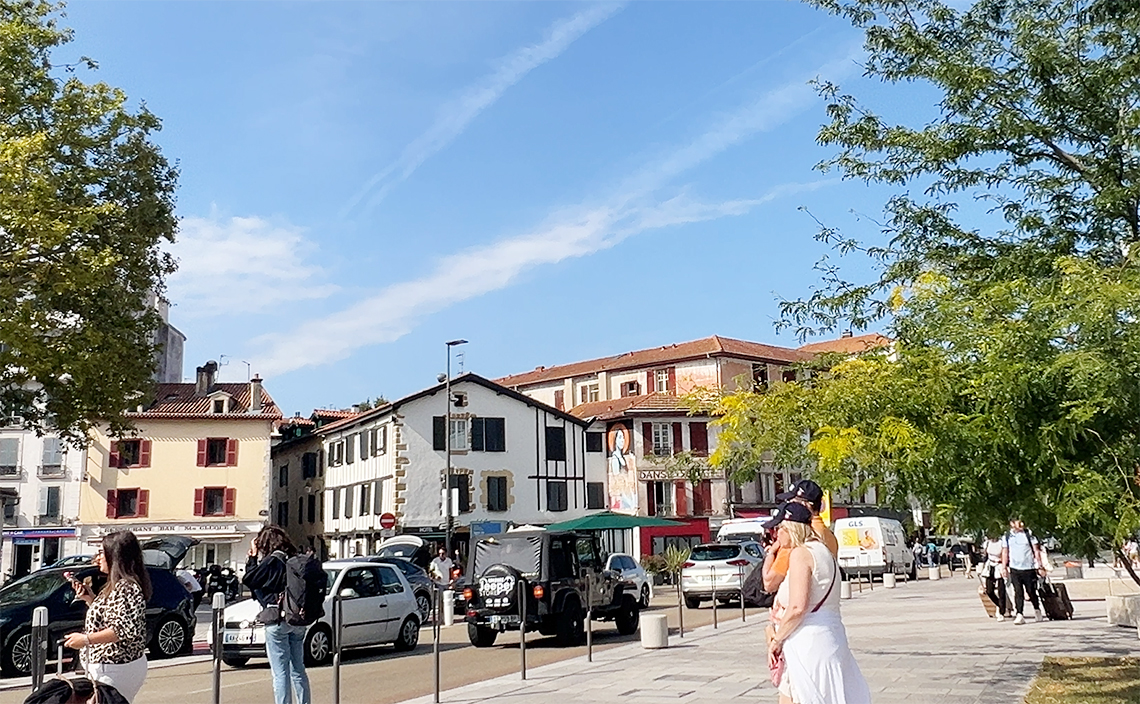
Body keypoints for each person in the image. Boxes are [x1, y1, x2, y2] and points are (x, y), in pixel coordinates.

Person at [765, 502, 870, 704]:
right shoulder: (823, 551)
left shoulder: (801, 554)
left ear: (791, 528)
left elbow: (798, 607)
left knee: (808, 696)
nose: (776, 534)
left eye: (779, 528)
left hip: (808, 642)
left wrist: (776, 640)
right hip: (829, 637)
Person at [62, 531, 151, 703]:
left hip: (114, 668)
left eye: (102, 552)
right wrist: (90, 599)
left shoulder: (126, 587)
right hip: (113, 667)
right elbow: (112, 618)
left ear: (115, 555)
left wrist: (85, 640)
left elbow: (123, 629)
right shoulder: (119, 586)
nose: (97, 558)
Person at [243, 526, 310, 704]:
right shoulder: (295, 560)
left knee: (280, 673)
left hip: (277, 619)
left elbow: (249, 579)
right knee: (298, 669)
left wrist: (252, 557)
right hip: (298, 619)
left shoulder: (273, 560)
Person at [762, 480, 838, 593]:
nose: (788, 505)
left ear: (805, 504)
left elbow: (770, 583)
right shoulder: (828, 535)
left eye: (792, 501)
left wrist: (771, 553)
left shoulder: (795, 537)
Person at [1001, 518, 1044, 625]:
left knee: (1031, 591)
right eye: (1018, 521)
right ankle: (1019, 614)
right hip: (1015, 568)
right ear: (1011, 523)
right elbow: (1005, 552)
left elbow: (1036, 551)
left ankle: (1037, 609)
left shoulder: (1029, 534)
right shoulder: (1007, 537)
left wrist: (1040, 565)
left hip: (1029, 568)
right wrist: (1004, 567)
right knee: (1018, 592)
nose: (1021, 524)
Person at [981, 534, 1008, 621]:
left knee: (1001, 590)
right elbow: (985, 556)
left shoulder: (1001, 542)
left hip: (999, 565)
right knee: (989, 590)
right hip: (990, 566)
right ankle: (999, 605)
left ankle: (1001, 612)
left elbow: (1005, 554)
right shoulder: (987, 543)